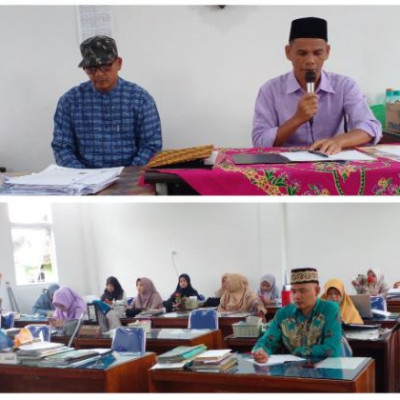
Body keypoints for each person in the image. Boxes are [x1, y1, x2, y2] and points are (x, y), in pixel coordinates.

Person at [252, 17, 381, 155]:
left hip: (333, 162)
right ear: (288, 52)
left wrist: (338, 141)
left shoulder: (344, 86)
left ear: (327, 52)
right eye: (302, 53)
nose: (310, 61)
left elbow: (371, 127)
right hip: (287, 167)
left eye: (317, 53)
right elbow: (259, 142)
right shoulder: (270, 90)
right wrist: (297, 119)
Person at [52, 35, 162, 168]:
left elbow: (151, 145)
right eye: (91, 68)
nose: (98, 74)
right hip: (84, 179)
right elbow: (62, 146)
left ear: (119, 63)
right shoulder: (69, 101)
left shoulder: (140, 99)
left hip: (130, 176)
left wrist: (128, 174)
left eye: (105, 66)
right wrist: (83, 175)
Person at [252, 268, 341, 362]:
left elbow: (332, 349)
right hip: (293, 370)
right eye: (293, 291)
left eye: (303, 291)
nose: (296, 296)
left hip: (326, 370)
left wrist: (300, 351)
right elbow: (267, 340)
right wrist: (260, 351)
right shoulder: (283, 313)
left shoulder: (329, 309)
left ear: (317, 290)